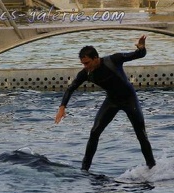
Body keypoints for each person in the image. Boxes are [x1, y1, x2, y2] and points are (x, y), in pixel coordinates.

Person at [54, 35, 156, 171]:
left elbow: (139, 55)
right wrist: (62, 108)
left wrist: (141, 47)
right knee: (94, 132)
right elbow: (71, 88)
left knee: (141, 134)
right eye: (83, 64)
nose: (86, 66)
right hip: (112, 101)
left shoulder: (114, 60)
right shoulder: (86, 73)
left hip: (129, 99)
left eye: (87, 63)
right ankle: (84, 170)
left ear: (96, 58)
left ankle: (152, 168)